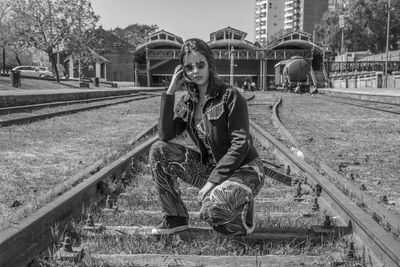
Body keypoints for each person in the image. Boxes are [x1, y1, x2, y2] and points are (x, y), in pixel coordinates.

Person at [149, 38, 265, 236]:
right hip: (214, 170)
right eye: (189, 67)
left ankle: (244, 215)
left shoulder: (230, 95)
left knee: (212, 212)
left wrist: (211, 183)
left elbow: (241, 144)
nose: (195, 71)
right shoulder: (188, 102)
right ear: (183, 71)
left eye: (200, 64)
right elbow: (165, 134)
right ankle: (175, 217)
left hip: (245, 169)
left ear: (210, 64)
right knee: (158, 150)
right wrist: (170, 92)